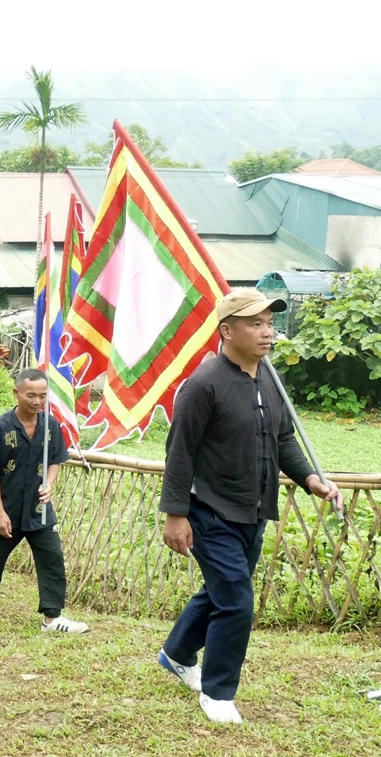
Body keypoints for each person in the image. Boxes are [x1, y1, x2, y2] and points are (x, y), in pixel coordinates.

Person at [157, 289, 340, 725]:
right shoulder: (203, 385)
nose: (267, 332)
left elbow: (282, 440)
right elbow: (179, 453)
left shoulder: (270, 381)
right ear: (227, 331)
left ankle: (177, 653)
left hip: (254, 510)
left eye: (270, 324)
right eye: (255, 324)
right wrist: (176, 514)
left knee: (221, 591)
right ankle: (218, 692)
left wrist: (310, 478)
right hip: (209, 510)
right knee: (237, 600)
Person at [0, 369, 87, 633]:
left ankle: (52, 618)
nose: (37, 401)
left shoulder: (51, 425)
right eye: (31, 395)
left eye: (42, 396)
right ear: (17, 393)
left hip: (38, 510)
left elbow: (57, 460)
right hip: (6, 509)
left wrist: (49, 483)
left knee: (53, 559)